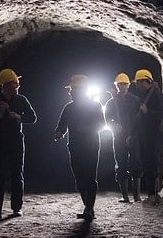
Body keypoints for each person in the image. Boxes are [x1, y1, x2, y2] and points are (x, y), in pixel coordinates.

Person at [0, 68, 37, 218]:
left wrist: (18, 117)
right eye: (15, 83)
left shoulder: (21, 100)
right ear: (7, 85)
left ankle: (16, 207)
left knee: (16, 174)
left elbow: (33, 118)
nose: (17, 85)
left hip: (15, 140)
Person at [54, 74, 107, 221]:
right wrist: (59, 131)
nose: (70, 92)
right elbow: (62, 124)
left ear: (80, 90)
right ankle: (87, 207)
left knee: (89, 177)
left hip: (90, 147)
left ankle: (89, 208)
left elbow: (102, 124)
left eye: (72, 89)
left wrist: (87, 128)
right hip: (75, 147)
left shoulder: (95, 106)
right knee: (79, 179)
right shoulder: (69, 108)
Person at [130, 68, 163, 204]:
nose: (137, 86)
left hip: (154, 136)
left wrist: (148, 112)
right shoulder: (146, 96)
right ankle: (151, 194)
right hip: (145, 136)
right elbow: (139, 118)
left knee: (152, 163)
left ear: (146, 81)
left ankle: (153, 195)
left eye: (139, 83)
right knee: (146, 163)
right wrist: (133, 134)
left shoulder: (158, 96)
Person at [105, 72, 143, 203]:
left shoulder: (135, 100)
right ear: (116, 86)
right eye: (119, 84)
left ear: (128, 85)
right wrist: (114, 126)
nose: (122, 86)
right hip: (119, 137)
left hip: (133, 136)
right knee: (121, 164)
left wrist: (133, 134)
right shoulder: (111, 102)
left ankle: (137, 196)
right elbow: (107, 119)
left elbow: (139, 119)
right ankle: (125, 196)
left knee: (136, 163)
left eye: (124, 84)